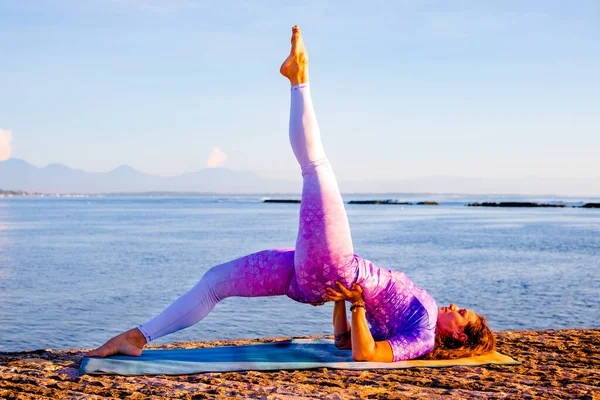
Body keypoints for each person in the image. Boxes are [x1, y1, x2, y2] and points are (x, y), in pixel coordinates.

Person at [85, 26, 496, 362]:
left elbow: (365, 356)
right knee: (215, 281)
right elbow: (343, 343)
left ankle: (298, 78)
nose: (456, 307)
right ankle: (136, 337)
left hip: (336, 269)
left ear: (459, 338)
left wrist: (353, 300)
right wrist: (345, 303)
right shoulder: (419, 320)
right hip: (322, 277)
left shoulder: (423, 337)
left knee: (316, 167)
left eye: (463, 315)